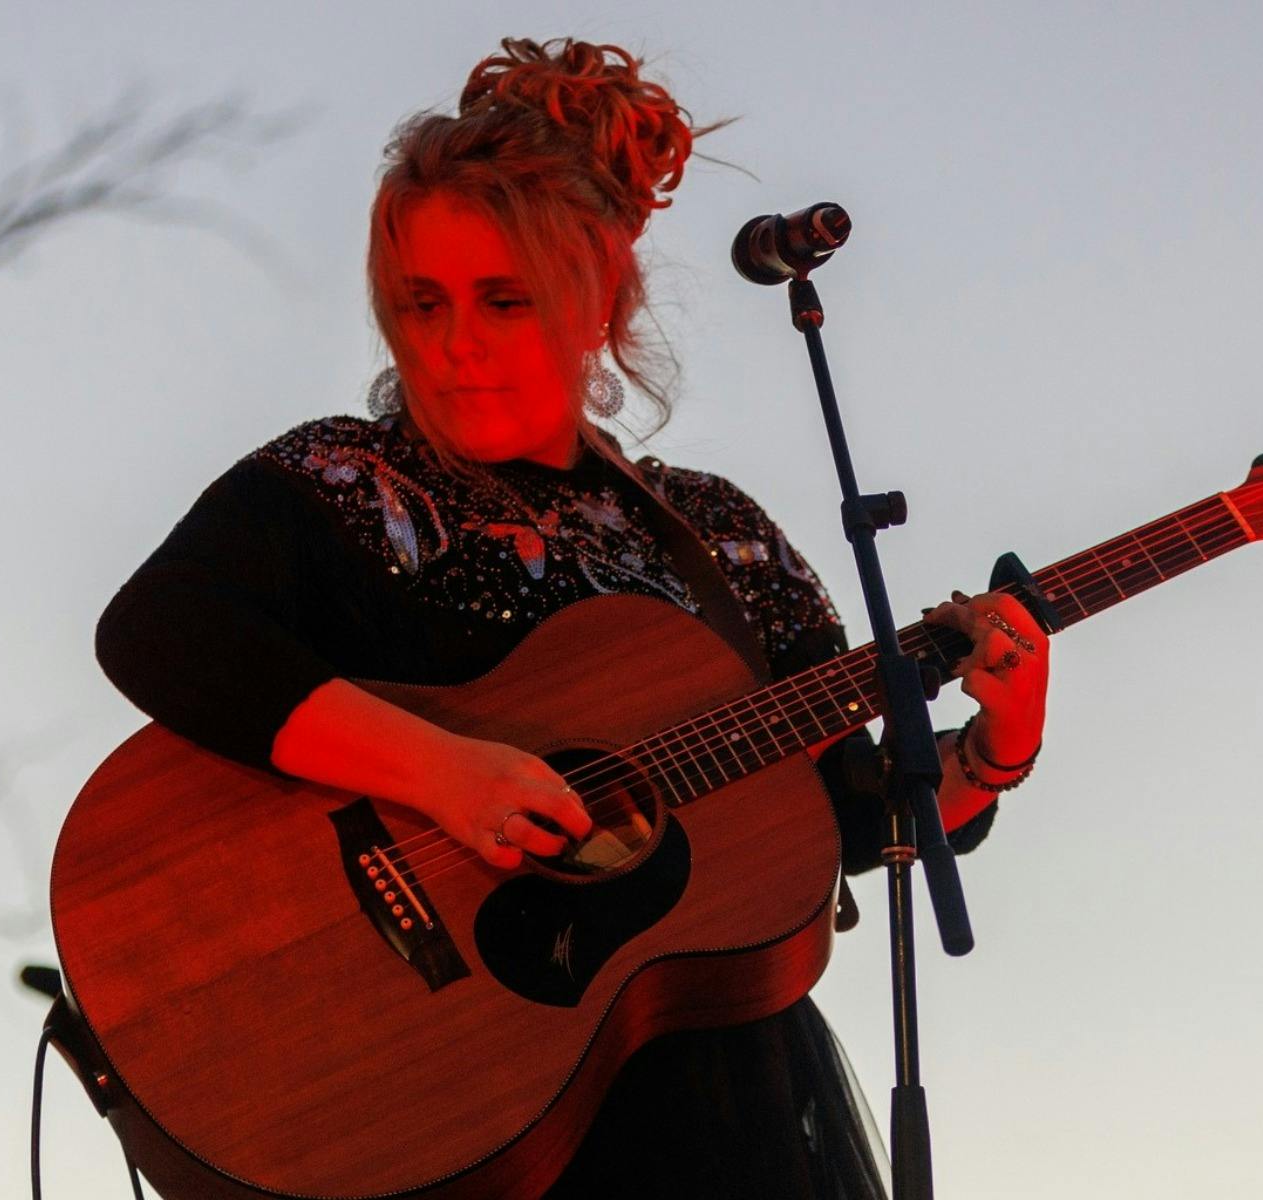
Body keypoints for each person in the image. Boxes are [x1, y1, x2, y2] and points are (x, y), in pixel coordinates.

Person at [95, 37, 1050, 1200]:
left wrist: (995, 751)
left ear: (598, 300)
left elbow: (849, 821)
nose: (453, 345)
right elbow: (161, 631)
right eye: (420, 302)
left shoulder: (718, 539)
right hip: (430, 1086)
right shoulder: (340, 483)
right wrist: (444, 773)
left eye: (504, 300)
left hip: (700, 1109)